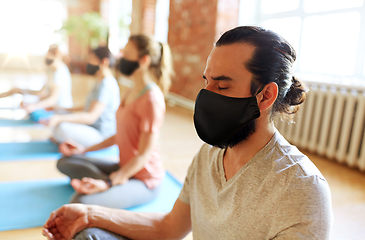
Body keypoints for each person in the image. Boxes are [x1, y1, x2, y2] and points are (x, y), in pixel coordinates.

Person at [43, 26, 333, 240]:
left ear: (266, 96)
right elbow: (169, 228)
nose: (204, 97)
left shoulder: (302, 190)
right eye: (206, 82)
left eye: (222, 87)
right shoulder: (209, 155)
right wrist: (91, 214)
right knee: (87, 232)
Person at [55, 34, 174, 209]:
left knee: (79, 203)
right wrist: (84, 150)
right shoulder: (131, 91)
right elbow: (119, 135)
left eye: (126, 54)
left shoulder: (152, 99)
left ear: (144, 60)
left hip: (144, 179)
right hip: (123, 166)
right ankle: (109, 182)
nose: (120, 57)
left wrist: (108, 184)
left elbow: (143, 155)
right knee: (66, 162)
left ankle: (108, 184)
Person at [45, 46, 120, 148]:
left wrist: (60, 118)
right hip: (90, 128)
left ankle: (64, 139)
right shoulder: (100, 81)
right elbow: (87, 106)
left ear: (104, 62)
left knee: (61, 127)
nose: (89, 62)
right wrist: (60, 108)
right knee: (60, 121)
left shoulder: (107, 84)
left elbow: (91, 117)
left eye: (92, 59)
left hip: (101, 135)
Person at [0, 45, 73, 118]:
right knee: (27, 105)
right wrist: (19, 90)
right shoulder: (51, 71)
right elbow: (41, 93)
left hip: (60, 111)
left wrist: (34, 106)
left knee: (33, 113)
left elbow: (52, 100)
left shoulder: (60, 73)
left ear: (56, 56)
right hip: (52, 108)